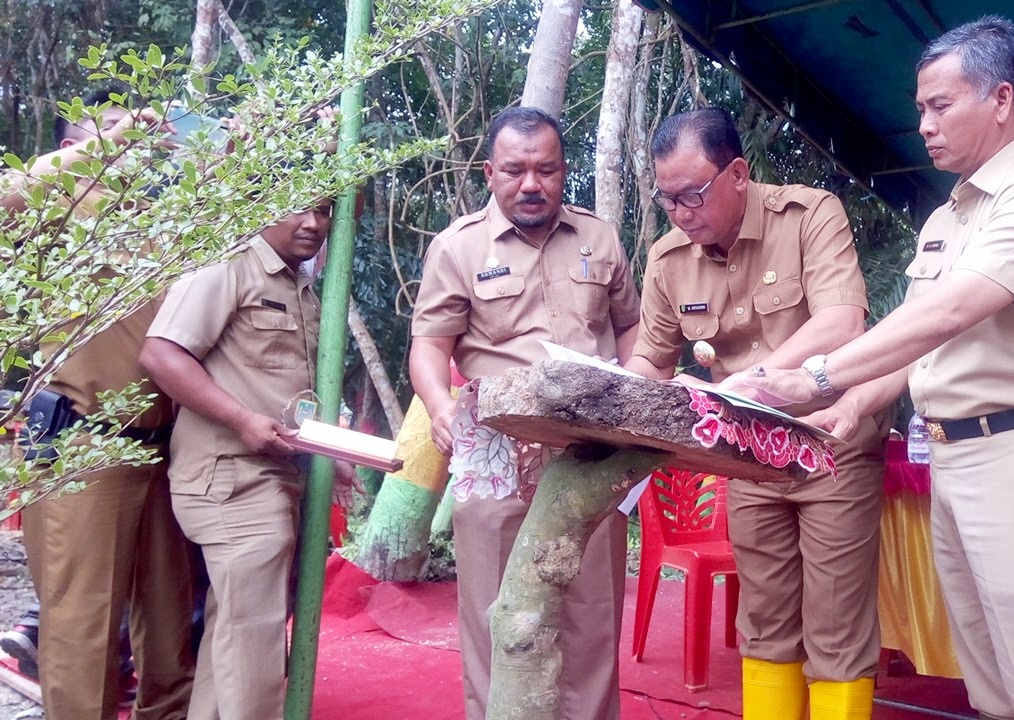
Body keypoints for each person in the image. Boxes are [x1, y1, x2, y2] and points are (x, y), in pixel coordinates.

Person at [722, 17, 1014, 720]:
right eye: (919, 110)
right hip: (956, 457)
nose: (925, 125)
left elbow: (952, 312)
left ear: (1000, 99)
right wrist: (848, 407)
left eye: (941, 106)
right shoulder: (948, 218)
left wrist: (818, 379)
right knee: (991, 679)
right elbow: (916, 343)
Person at [621, 107, 886, 720]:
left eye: (693, 194)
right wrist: (604, 400)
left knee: (836, 624)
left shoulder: (810, 215)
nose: (682, 213)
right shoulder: (668, 259)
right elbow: (650, 362)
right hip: (748, 458)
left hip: (830, 445)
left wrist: (748, 383)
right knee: (764, 620)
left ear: (738, 173)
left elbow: (842, 321)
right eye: (669, 200)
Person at [408, 106, 641, 720]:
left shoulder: (599, 237)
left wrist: (638, 399)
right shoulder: (458, 248)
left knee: (591, 615)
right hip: (496, 450)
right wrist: (437, 405)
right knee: (497, 615)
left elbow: (633, 326)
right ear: (490, 172)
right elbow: (429, 343)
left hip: (589, 449)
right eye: (515, 170)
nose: (531, 184)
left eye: (547, 169)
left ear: (566, 171)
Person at [1, 90, 195, 720]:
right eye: (112, 130)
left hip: (169, 448)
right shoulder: (54, 204)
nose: (137, 141)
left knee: (170, 633)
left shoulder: (161, 217)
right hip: (85, 445)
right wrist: (107, 147)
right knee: (83, 633)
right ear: (74, 148)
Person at [140, 196, 356, 720]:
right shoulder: (228, 262)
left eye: (325, 211)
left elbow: (285, 388)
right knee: (255, 651)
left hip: (275, 478)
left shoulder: (295, 282)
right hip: (232, 479)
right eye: (297, 208)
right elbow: (161, 354)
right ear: (260, 203)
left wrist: (334, 450)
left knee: (236, 638)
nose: (312, 223)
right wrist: (241, 420)